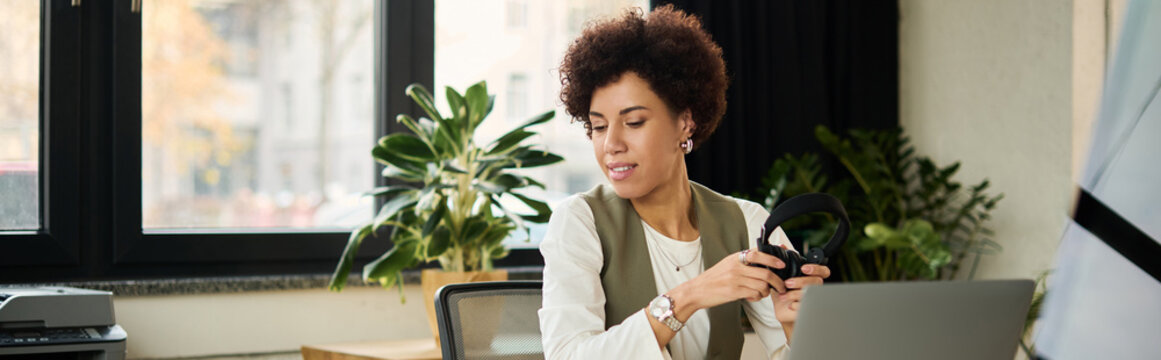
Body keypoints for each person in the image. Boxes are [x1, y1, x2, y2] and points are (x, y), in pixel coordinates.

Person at [538, 5, 831, 360]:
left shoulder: (747, 223)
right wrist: (689, 296)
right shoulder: (580, 221)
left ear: (685, 123)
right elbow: (568, 355)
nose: (611, 144)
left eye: (634, 122)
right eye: (598, 126)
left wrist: (795, 326)